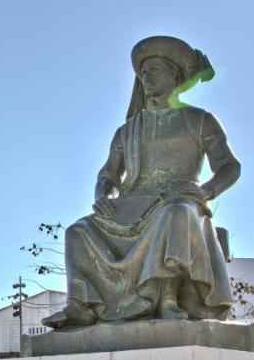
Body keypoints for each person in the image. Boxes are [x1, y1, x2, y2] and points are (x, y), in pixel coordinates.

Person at [44, 36, 240, 329]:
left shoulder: (200, 120)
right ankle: (81, 304)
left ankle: (168, 299)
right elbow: (108, 175)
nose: (146, 77)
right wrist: (103, 196)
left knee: (177, 214)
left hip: (177, 200)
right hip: (130, 205)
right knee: (77, 231)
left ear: (174, 74)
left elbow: (229, 166)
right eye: (143, 73)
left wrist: (204, 191)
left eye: (154, 70)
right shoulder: (128, 130)